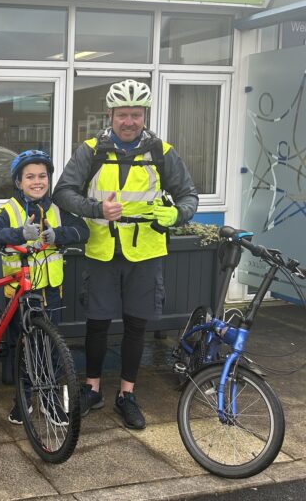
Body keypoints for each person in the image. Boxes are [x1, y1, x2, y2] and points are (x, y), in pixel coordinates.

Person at [53, 79, 198, 429]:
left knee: (137, 325)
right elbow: (63, 193)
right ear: (110, 114)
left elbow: (189, 196)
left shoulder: (162, 151)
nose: (129, 121)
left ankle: (127, 394)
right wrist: (95, 209)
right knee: (97, 325)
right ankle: (92, 389)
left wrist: (177, 214)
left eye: (136, 114)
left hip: (146, 253)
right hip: (102, 251)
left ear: (144, 115)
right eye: (123, 115)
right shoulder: (91, 150)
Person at [0, 149, 88, 424]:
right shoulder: (10, 210)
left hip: (50, 291)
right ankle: (24, 399)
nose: (37, 181)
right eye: (30, 177)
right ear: (18, 182)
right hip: (20, 292)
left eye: (42, 176)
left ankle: (50, 402)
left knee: (52, 348)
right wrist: (16, 234)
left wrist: (58, 235)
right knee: (20, 347)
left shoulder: (58, 209)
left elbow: (83, 231)